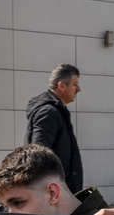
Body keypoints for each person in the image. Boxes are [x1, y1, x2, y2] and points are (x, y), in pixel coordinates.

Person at [26, 63, 84, 193]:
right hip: (54, 195)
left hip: (58, 192)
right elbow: (37, 153)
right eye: (75, 84)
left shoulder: (57, 111)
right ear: (61, 86)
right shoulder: (48, 113)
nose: (79, 89)